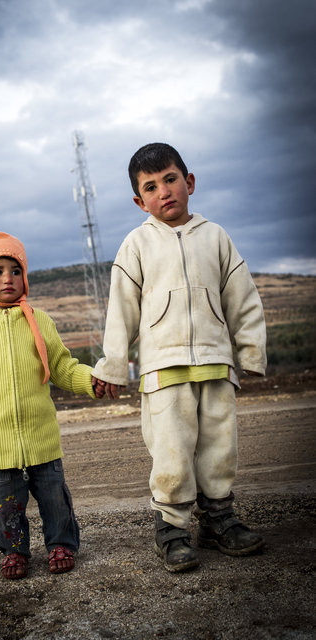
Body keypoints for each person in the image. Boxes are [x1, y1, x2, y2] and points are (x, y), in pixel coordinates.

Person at [92, 143, 267, 572]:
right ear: (139, 201)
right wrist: (113, 365)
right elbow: (121, 312)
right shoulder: (136, 246)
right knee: (171, 451)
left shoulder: (216, 237)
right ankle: (171, 529)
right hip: (162, 369)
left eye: (170, 179)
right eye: (150, 187)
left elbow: (242, 299)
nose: (164, 192)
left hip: (215, 362)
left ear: (189, 182)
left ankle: (219, 519)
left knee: (219, 448)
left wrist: (251, 352)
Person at [0, 232, 106, 580]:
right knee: (6, 507)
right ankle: (15, 551)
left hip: (41, 437)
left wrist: (92, 380)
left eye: (15, 271)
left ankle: (61, 544)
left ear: (25, 276)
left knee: (54, 500)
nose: (7, 278)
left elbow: (62, 367)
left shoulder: (40, 321)